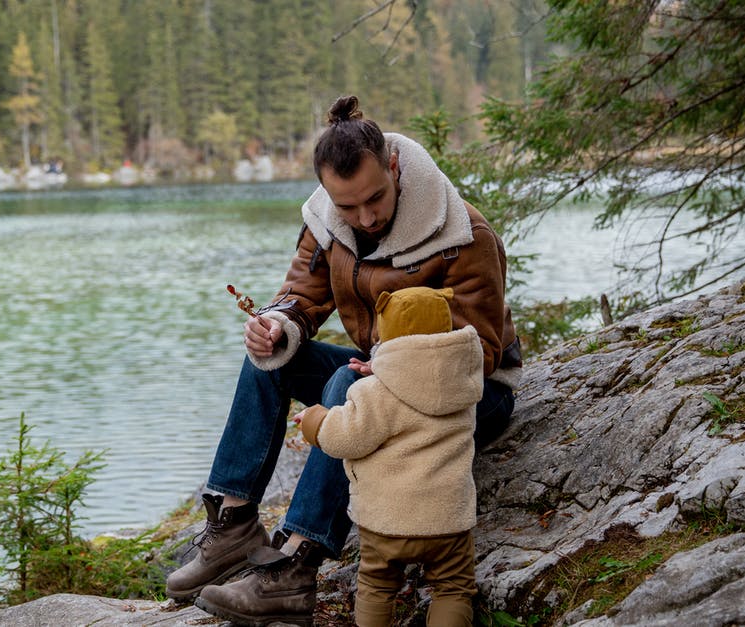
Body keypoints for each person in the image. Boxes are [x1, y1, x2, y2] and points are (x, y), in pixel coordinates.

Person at [168, 95, 522, 626]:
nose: (365, 216)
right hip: (381, 374)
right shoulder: (328, 220)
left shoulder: (462, 234)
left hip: (475, 394)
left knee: (345, 384)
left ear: (394, 166)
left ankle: (295, 567)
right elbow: (301, 297)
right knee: (269, 361)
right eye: (348, 206)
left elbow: (483, 347)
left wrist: (392, 368)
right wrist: (276, 327)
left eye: (374, 199)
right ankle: (235, 522)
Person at [295, 286, 482, 627]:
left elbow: (345, 437)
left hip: (388, 521)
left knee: (377, 586)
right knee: (454, 590)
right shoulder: (465, 388)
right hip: (449, 519)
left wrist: (313, 420)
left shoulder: (375, 391)